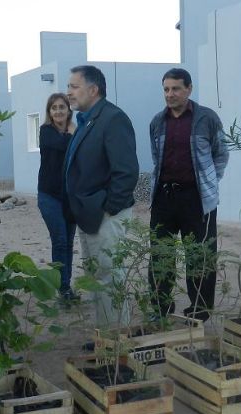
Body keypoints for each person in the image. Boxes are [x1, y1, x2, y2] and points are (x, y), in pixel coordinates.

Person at [148, 68, 229, 322]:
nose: (170, 94)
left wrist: (209, 182)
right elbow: (155, 157)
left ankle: (200, 312)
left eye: (175, 89)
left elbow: (221, 154)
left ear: (189, 89)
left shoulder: (207, 119)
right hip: (164, 197)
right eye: (166, 89)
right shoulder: (157, 122)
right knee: (161, 254)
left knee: (200, 256)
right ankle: (161, 308)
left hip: (197, 200)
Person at [63, 65, 139, 331]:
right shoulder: (87, 120)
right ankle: (105, 339)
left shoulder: (113, 118)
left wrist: (109, 209)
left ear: (93, 89)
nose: (68, 93)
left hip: (105, 215)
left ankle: (116, 342)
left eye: (74, 86)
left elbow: (127, 172)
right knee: (96, 278)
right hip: (90, 215)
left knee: (109, 278)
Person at [37, 93, 79, 303]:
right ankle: (61, 287)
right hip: (49, 195)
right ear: (49, 112)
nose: (58, 111)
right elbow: (64, 145)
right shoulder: (46, 131)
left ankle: (67, 286)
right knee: (60, 240)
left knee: (69, 242)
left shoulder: (74, 131)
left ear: (68, 109)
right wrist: (74, 132)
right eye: (54, 108)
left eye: (62, 107)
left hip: (69, 196)